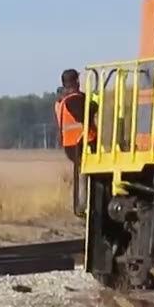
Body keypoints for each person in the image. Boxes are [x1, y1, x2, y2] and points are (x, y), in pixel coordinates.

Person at [55, 69, 97, 218]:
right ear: (75, 82)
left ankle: (83, 205)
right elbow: (83, 115)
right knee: (87, 174)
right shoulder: (74, 100)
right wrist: (94, 104)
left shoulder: (62, 101)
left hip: (71, 144)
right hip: (81, 143)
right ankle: (85, 206)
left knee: (83, 173)